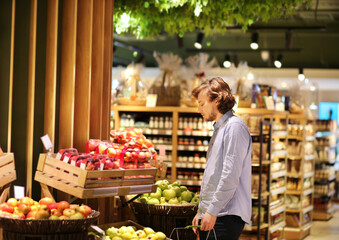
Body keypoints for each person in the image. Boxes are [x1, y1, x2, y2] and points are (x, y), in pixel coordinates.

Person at [191, 77, 252, 240]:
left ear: (217, 100)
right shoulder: (221, 129)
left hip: (226, 215)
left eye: (202, 103)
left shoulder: (234, 127)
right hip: (217, 212)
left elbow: (229, 175)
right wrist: (202, 211)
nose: (199, 109)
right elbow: (213, 176)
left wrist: (211, 211)